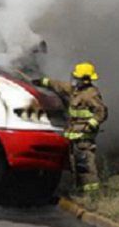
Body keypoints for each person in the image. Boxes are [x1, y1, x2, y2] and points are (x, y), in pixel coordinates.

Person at [34, 61, 108, 194]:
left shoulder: (91, 94)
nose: (74, 79)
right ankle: (80, 188)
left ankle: (91, 192)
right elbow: (58, 85)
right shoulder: (75, 90)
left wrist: (89, 125)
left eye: (77, 77)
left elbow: (101, 112)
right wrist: (42, 81)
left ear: (85, 80)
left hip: (84, 135)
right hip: (75, 133)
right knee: (76, 163)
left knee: (85, 163)